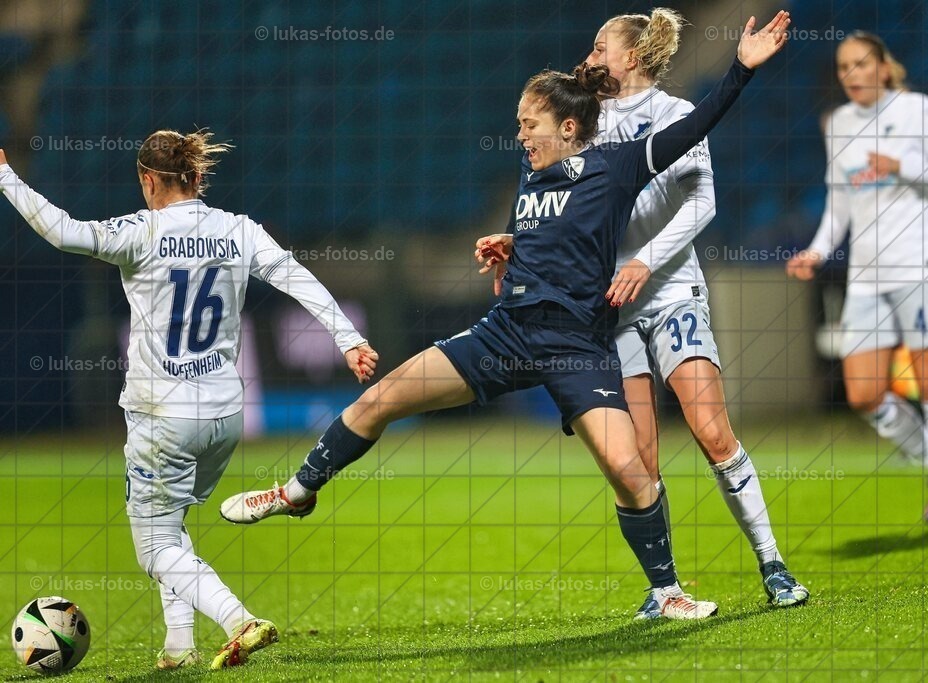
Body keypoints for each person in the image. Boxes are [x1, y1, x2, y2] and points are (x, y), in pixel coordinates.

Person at [221, 12, 791, 621]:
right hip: (508, 332)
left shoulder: (619, 164)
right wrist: (513, 244)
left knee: (632, 472)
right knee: (383, 398)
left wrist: (739, 71)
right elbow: (560, 228)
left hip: (578, 344)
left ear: (567, 127)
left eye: (529, 124)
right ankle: (297, 491)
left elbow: (697, 130)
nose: (519, 136)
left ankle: (668, 591)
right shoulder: (535, 168)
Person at [0, 131, 378, 669]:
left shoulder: (141, 231)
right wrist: (349, 339)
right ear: (198, 178)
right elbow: (298, 278)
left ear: (148, 180)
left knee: (155, 549)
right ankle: (178, 645)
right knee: (171, 529)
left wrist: (5, 177)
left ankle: (238, 619)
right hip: (225, 416)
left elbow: (63, 232)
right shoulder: (238, 230)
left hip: (163, 417)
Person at [477, 8, 808, 615]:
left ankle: (773, 564)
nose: (591, 53)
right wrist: (518, 242)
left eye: (601, 44)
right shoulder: (585, 122)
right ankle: (668, 590)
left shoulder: (673, 116)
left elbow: (703, 203)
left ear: (631, 55)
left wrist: (646, 261)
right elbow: (559, 204)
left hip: (671, 290)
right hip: (609, 308)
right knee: (641, 458)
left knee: (711, 432)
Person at [786, 32, 928, 527]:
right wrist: (818, 251)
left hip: (921, 263)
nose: (851, 74)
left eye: (861, 64)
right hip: (867, 274)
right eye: (843, 67)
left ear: (884, 68)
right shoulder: (840, 124)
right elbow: (839, 201)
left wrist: (901, 164)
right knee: (864, 394)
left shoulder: (917, 109)